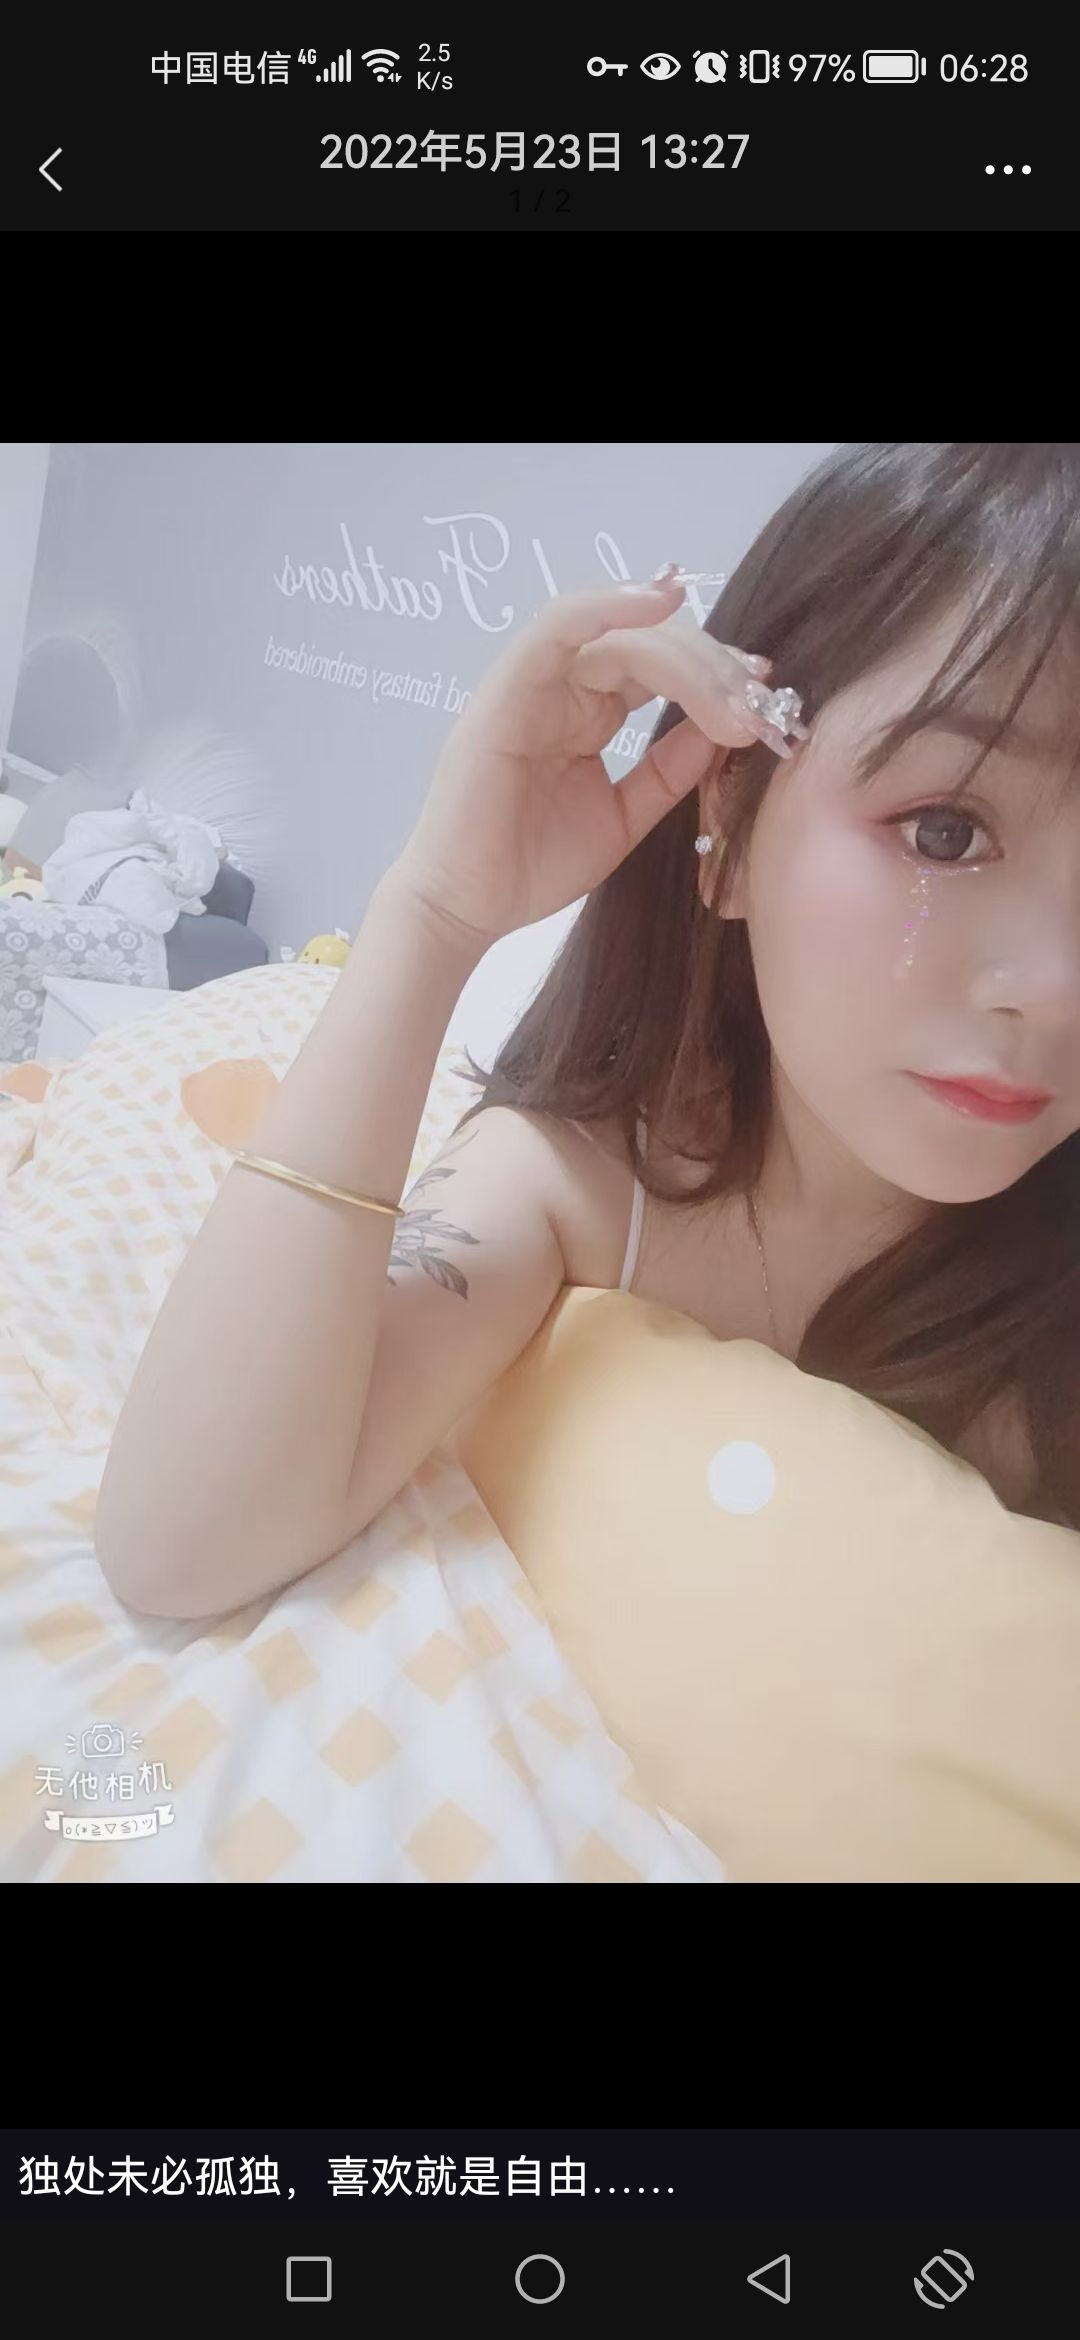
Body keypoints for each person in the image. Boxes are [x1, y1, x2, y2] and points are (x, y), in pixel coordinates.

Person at [95, 444, 1080, 1620]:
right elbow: (183, 1544)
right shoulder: (582, 1188)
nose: (1056, 988)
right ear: (731, 825)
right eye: (945, 832)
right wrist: (434, 914)